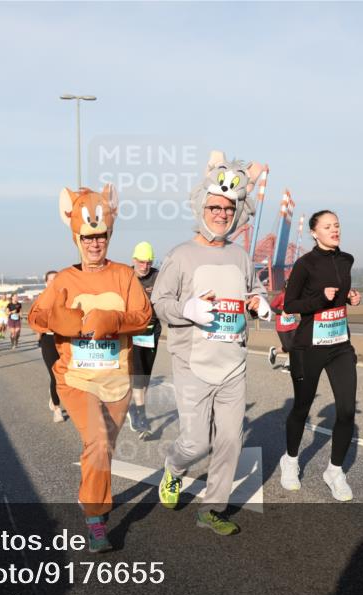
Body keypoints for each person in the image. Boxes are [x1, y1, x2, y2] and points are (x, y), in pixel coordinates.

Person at [151, 152, 270, 536]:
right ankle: (174, 467)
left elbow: (253, 290)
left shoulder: (239, 255)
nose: (222, 213)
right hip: (192, 366)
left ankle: (212, 509)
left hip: (232, 364)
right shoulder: (180, 255)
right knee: (196, 443)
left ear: (238, 212)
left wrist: (259, 302)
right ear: (201, 206)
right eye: (215, 206)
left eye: (228, 208)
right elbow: (160, 303)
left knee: (231, 442)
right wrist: (189, 309)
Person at [28, 184, 152, 552]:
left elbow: (144, 317)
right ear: (76, 238)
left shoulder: (125, 277)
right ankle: (97, 520)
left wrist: (112, 319)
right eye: (88, 237)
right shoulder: (65, 280)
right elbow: (35, 316)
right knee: (97, 439)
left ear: (109, 235)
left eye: (100, 236)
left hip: (115, 380)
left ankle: (90, 495)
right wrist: (59, 319)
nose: (95, 243)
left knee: (103, 449)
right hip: (75, 378)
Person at [280, 210, 362, 501]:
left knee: (347, 410)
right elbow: (290, 305)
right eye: (327, 226)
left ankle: (335, 471)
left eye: (337, 225)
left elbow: (339, 295)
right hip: (308, 346)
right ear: (314, 233)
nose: (334, 230)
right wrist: (319, 299)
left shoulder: (346, 260)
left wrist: (350, 296)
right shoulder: (305, 264)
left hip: (340, 344)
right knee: (302, 408)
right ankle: (290, 461)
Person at [127, 241, 161, 437]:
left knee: (145, 378)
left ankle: (136, 410)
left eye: (148, 262)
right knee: (138, 377)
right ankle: (142, 419)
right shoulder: (127, 276)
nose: (144, 266)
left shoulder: (158, 276)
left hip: (153, 331)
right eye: (141, 262)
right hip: (133, 332)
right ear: (134, 260)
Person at [38, 271, 66, 423]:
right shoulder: (42, 300)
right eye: (51, 280)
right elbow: (37, 320)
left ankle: (53, 394)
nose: (54, 282)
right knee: (55, 375)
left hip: (64, 340)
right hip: (48, 340)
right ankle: (57, 408)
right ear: (46, 282)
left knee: (66, 375)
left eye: (57, 279)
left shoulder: (66, 297)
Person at [268, 280, 298, 371]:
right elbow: (271, 307)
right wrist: (282, 312)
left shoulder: (295, 297)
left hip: (292, 324)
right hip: (282, 326)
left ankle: (288, 365)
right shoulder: (281, 296)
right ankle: (274, 351)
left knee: (295, 345)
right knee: (288, 346)